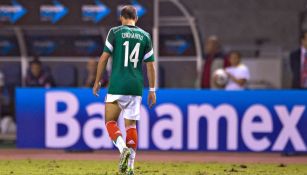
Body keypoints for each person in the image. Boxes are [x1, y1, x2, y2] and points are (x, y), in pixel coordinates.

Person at [92, 5, 156, 175]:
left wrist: (97, 81)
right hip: (136, 86)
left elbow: (104, 57)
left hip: (118, 84)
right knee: (131, 126)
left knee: (110, 122)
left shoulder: (115, 32)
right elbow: (150, 65)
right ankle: (130, 169)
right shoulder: (145, 36)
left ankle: (122, 149)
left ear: (121, 18)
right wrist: (152, 89)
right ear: (136, 18)